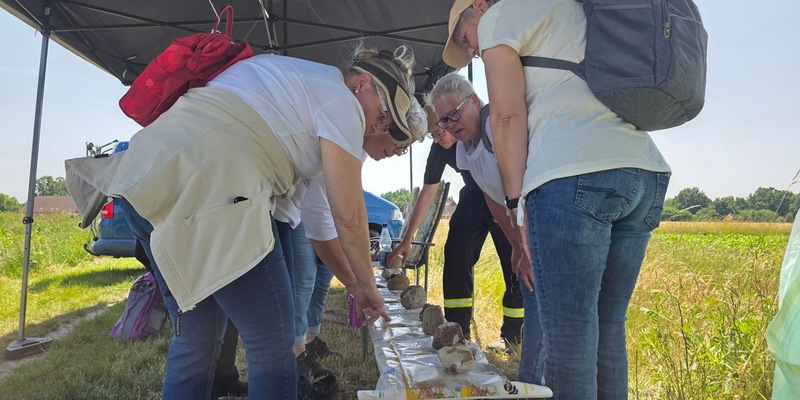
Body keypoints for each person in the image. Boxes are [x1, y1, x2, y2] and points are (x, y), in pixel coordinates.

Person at [66, 44, 426, 400]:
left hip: (144, 183)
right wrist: (365, 285)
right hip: (209, 193)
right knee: (273, 341)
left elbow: (304, 216)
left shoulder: (292, 82)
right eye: (383, 117)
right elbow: (348, 216)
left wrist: (352, 282)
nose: (378, 128)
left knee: (198, 337)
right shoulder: (342, 102)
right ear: (362, 83)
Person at [443, 0, 672, 398]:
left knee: (569, 333)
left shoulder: (500, 16)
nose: (472, 51)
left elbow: (508, 117)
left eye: (466, 39)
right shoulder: (567, 6)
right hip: (643, 171)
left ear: (479, 6)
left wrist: (517, 206)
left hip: (574, 173)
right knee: (608, 326)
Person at [426, 71, 543, 378]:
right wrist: (518, 246)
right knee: (526, 283)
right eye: (443, 121)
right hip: (515, 215)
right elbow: (493, 197)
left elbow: (513, 191)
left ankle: (523, 352)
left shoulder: (497, 125)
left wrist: (524, 243)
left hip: (539, 213)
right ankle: (528, 375)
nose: (451, 125)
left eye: (455, 114)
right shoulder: (464, 148)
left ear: (474, 101)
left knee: (539, 300)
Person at [386, 103, 524, 352]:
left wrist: (508, 207)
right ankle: (456, 329)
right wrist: (407, 238)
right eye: (433, 136)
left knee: (512, 260)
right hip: (473, 197)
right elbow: (428, 192)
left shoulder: (478, 132)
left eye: (441, 132)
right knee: (456, 254)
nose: (438, 140)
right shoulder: (438, 148)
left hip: (501, 195)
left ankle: (513, 336)